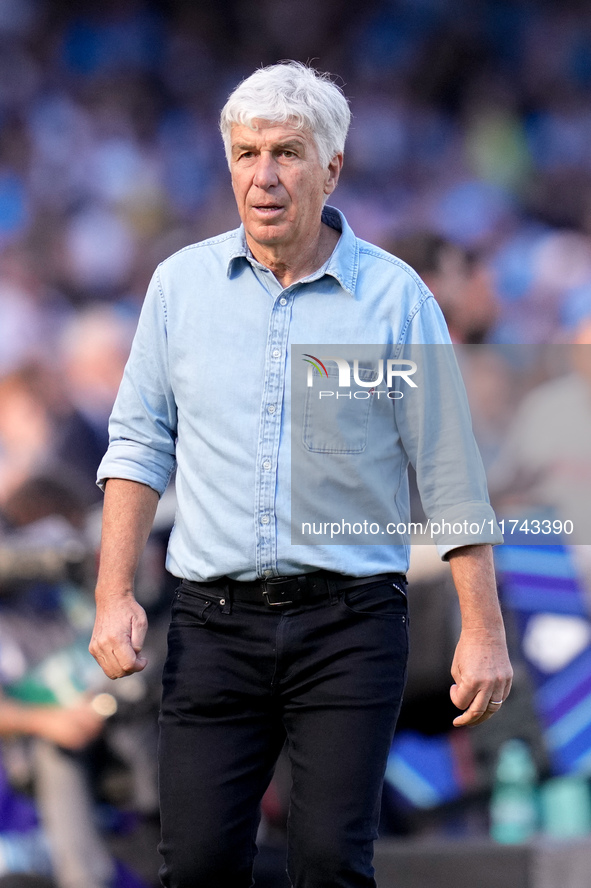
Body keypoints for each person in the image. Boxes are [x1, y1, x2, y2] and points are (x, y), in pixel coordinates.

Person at [90, 62, 513, 888]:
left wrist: (483, 630)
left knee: (328, 865)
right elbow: (137, 445)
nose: (263, 176)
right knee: (199, 866)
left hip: (349, 624)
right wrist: (113, 596)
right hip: (211, 621)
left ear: (332, 168)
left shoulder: (397, 300)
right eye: (245, 154)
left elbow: (449, 471)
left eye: (286, 152)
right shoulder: (179, 288)